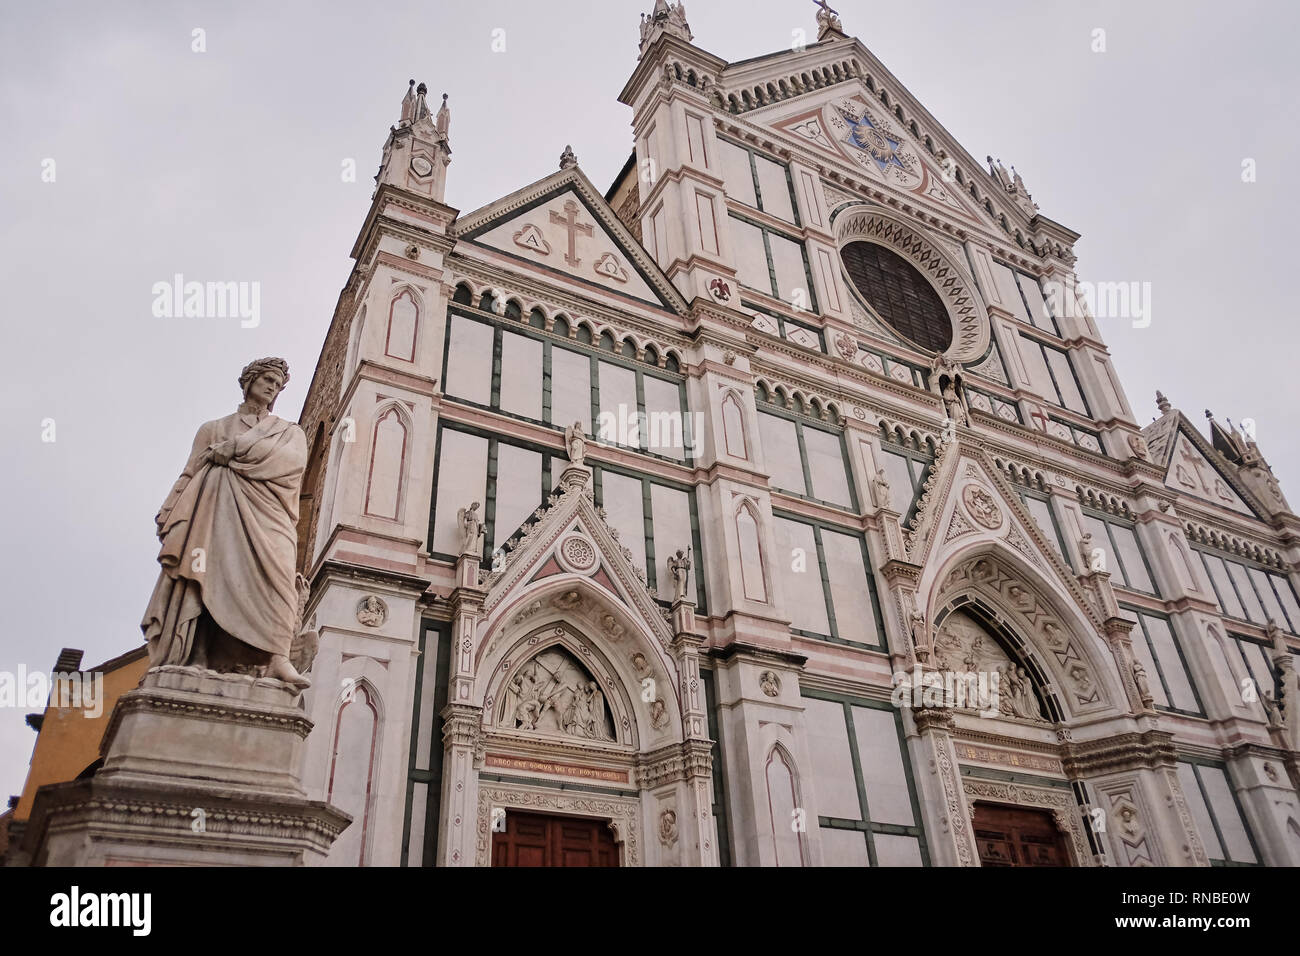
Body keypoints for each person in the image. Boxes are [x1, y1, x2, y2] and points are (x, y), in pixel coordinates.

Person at [142, 358, 310, 689]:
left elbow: (292, 463)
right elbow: (191, 470)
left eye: (277, 384)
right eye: (266, 379)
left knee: (278, 581)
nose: (271, 387)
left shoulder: (289, 433)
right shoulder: (213, 428)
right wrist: (172, 506)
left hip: (269, 515)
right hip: (215, 510)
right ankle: (199, 656)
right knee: (208, 575)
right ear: (248, 382)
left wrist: (235, 449)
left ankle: (277, 657)